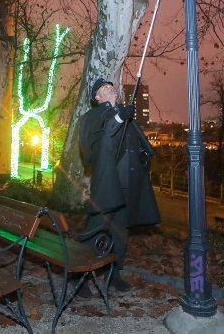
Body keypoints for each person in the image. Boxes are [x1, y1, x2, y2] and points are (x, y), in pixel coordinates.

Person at [78, 77, 161, 293]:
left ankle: (114, 273)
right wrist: (117, 117)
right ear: (97, 98)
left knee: (121, 233)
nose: (111, 87)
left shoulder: (126, 115)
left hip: (129, 185)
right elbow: (100, 140)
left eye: (111, 85)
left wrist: (143, 157)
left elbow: (134, 142)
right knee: (95, 231)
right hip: (107, 185)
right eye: (104, 88)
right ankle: (80, 276)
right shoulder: (93, 116)